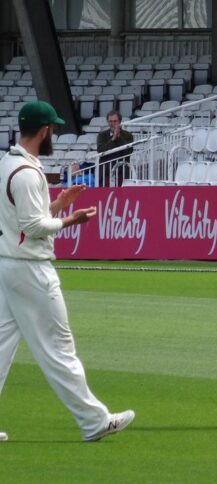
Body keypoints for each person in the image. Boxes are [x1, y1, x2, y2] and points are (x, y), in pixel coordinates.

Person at [0, 101, 134, 442]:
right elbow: (32, 226)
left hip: (10, 266)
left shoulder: (9, 163)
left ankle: (93, 419)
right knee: (59, 347)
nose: (55, 134)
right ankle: (94, 421)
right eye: (53, 129)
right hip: (31, 268)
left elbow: (22, 217)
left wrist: (59, 204)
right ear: (44, 130)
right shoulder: (27, 172)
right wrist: (69, 219)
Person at [95, 110, 134, 187]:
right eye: (110, 121)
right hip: (106, 172)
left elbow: (129, 151)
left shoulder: (127, 135)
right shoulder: (102, 135)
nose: (112, 124)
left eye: (115, 121)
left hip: (122, 172)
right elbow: (100, 150)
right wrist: (113, 138)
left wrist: (119, 137)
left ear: (120, 122)